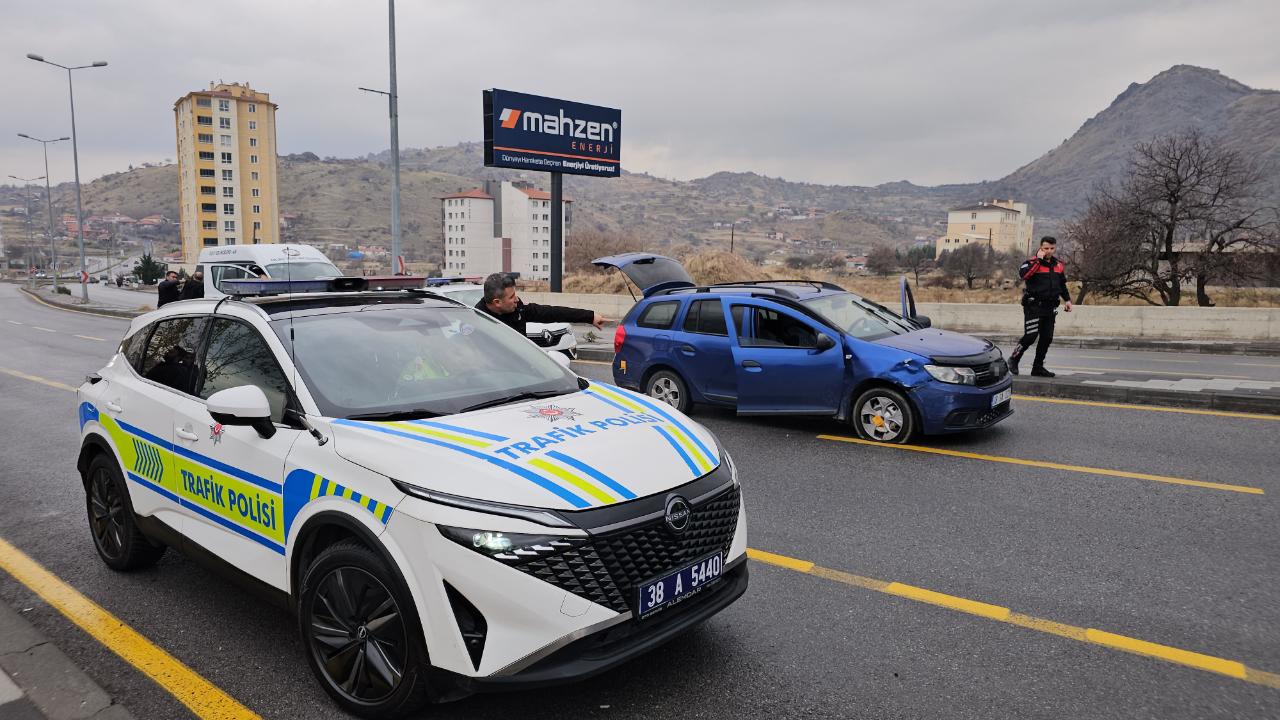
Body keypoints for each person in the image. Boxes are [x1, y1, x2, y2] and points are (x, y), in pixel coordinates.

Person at [1009, 236, 1072, 377]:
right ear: (1041, 248)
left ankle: (1037, 367)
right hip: (1034, 306)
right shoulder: (1030, 263)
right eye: (1046, 248)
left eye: (1052, 248)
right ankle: (1014, 359)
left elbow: (1061, 284)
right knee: (1031, 336)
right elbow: (1025, 276)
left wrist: (1067, 300)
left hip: (1050, 307)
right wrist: (1038, 260)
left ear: (1055, 248)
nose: (1049, 251)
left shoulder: (1059, 265)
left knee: (1047, 337)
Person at [474, 272, 606, 336]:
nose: (517, 299)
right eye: (511, 297)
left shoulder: (518, 310)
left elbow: (552, 313)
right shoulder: (475, 323)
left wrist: (590, 317)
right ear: (497, 302)